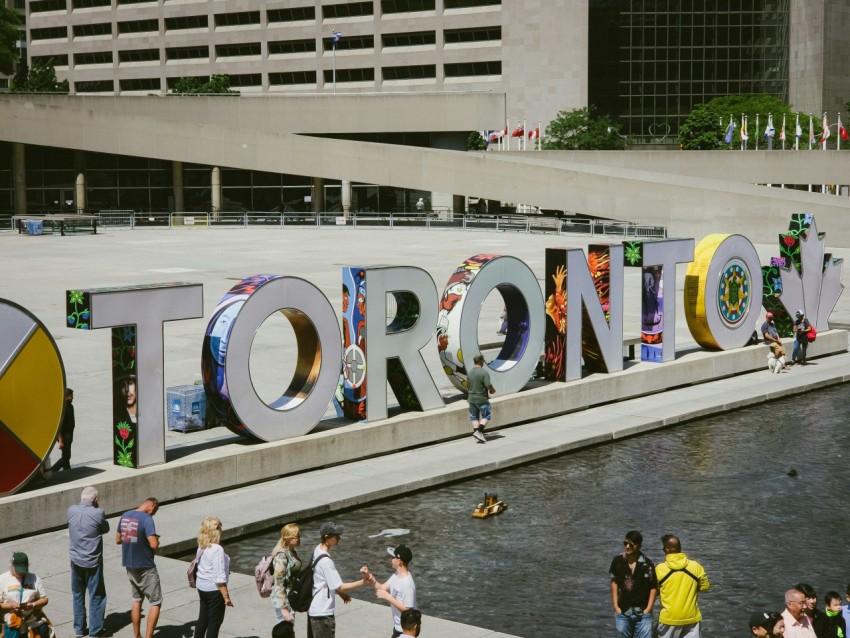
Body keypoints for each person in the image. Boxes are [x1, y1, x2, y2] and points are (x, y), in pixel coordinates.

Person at [307, 522, 374, 638]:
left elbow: (326, 582)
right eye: (336, 535)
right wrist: (364, 581)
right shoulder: (326, 562)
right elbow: (340, 586)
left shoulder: (317, 551)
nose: (339, 538)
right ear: (327, 537)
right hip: (323, 613)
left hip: (313, 609)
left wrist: (341, 594)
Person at [67, 486, 110, 638]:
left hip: (76, 560)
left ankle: (79, 629)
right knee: (97, 596)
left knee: (78, 594)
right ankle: (95, 631)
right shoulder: (98, 512)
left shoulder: (71, 510)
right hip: (93, 562)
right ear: (96, 499)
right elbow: (105, 529)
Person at [116, 497, 161, 638]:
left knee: (136, 600)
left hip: (129, 565)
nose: (152, 515)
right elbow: (153, 544)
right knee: (156, 602)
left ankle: (137, 635)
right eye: (154, 512)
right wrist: (157, 539)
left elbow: (118, 539)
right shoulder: (147, 519)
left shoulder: (125, 515)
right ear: (152, 507)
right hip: (145, 566)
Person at [654, 534, 709, 638]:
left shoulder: (660, 569)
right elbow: (705, 587)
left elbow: (654, 592)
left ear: (666, 550)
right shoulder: (695, 566)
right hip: (692, 617)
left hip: (669, 619)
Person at [609, 530, 657, 638]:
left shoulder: (647, 564)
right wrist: (616, 606)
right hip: (623, 611)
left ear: (638, 546)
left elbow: (653, 587)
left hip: (643, 613)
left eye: (631, 544)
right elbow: (614, 582)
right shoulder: (617, 561)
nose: (627, 546)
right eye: (625, 543)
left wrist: (648, 608)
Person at [193, 516, 232, 638]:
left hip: (202, 586)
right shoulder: (217, 549)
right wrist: (226, 596)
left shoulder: (202, 544)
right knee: (215, 622)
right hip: (214, 590)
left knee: (203, 619)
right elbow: (219, 577)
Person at [0, 552, 51, 638]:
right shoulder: (2, 579)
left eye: (23, 570)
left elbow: (44, 599)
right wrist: (10, 606)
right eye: (18, 570)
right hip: (12, 622)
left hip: (32, 621)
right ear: (12, 565)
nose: (21, 573)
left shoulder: (34, 578)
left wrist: (33, 605)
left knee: (44, 630)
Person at [374, 544, 417, 638]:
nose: (391, 559)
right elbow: (381, 587)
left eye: (393, 557)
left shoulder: (407, 584)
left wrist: (388, 597)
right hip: (398, 628)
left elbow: (408, 611)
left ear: (400, 561)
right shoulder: (396, 575)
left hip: (405, 631)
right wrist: (370, 578)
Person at [271, 523, 302, 638]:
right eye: (295, 536)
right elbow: (278, 582)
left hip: (290, 593)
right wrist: (283, 607)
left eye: (299, 535)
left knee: (288, 628)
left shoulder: (291, 551)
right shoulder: (282, 555)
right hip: (284, 596)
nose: (298, 538)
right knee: (284, 629)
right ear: (287, 538)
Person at [467, 354, 495, 443]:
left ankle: (476, 433)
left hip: (471, 398)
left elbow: (468, 385)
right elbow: (488, 385)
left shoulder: (470, 372)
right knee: (486, 415)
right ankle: (479, 432)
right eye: (483, 360)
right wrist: (492, 390)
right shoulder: (484, 373)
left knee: (474, 417)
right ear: (480, 361)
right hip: (481, 399)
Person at [51, 387, 76, 471]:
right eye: (69, 396)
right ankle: (53, 470)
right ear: (65, 397)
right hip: (64, 435)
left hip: (69, 434)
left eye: (72, 395)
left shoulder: (70, 407)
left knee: (66, 455)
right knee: (66, 456)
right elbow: (59, 426)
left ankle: (67, 469)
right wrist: (61, 441)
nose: (71, 397)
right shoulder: (62, 408)